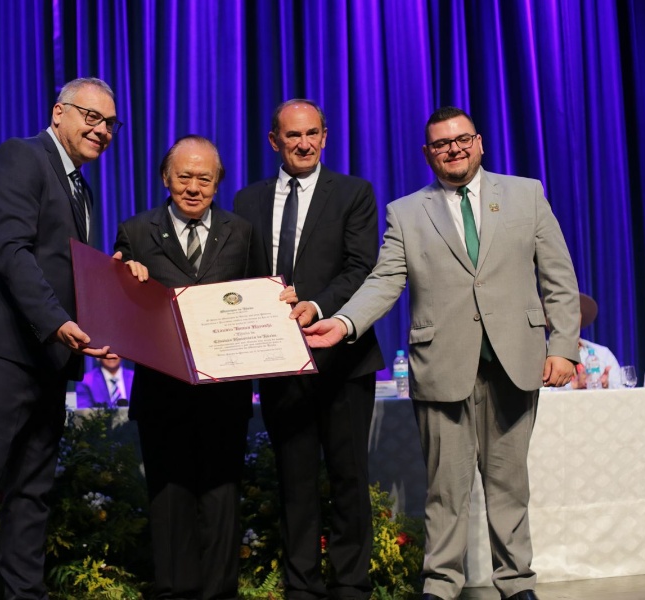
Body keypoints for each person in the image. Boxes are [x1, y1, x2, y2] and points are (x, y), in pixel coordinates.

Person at [303, 107, 580, 600]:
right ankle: (441, 585)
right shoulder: (406, 212)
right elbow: (385, 280)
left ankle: (517, 585)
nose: (453, 149)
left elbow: (558, 278)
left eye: (461, 139)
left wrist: (563, 347)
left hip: (514, 363)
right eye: (441, 143)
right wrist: (344, 322)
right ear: (428, 153)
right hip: (442, 367)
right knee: (444, 490)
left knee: (509, 486)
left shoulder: (526, 193)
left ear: (479, 143)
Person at [0, 77, 127, 600]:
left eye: (111, 123)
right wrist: (57, 322)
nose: (102, 130)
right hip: (2, 349)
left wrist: (104, 313)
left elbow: (66, 271)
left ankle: (26, 594)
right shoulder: (22, 157)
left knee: (34, 488)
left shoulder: (79, 187)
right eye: (92, 117)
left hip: (49, 355)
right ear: (59, 112)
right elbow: (12, 251)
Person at [233, 99, 384, 600]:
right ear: (274, 140)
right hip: (279, 364)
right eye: (292, 135)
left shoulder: (354, 193)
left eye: (312, 134)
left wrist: (318, 306)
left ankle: (351, 587)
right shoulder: (246, 200)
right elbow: (239, 275)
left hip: (343, 361)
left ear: (325, 136)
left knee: (347, 478)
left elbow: (362, 267)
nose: (303, 143)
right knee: (294, 481)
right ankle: (302, 587)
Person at [114, 135, 268, 600]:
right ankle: (173, 591)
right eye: (185, 177)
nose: (194, 187)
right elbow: (120, 306)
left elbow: (259, 293)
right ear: (166, 178)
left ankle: (220, 593)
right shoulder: (136, 230)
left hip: (224, 393)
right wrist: (124, 278)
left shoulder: (241, 232)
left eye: (205, 178)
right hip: (162, 392)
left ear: (218, 183)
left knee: (222, 498)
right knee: (169, 497)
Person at [557, 293, 622, 390]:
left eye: (575, 313)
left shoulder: (603, 353)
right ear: (548, 320)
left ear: (580, 318)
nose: (570, 319)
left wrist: (606, 385)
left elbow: (622, 390)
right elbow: (537, 395)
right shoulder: (540, 355)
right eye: (563, 314)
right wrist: (573, 386)